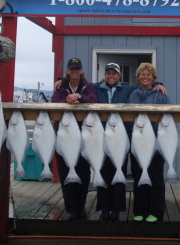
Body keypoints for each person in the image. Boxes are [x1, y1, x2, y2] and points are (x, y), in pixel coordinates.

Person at [54, 62, 167, 221]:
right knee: (103, 173)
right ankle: (104, 208)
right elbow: (76, 78)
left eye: (114, 73)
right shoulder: (96, 87)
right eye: (108, 73)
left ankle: (117, 209)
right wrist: (61, 79)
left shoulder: (128, 89)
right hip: (100, 137)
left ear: (119, 75)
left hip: (119, 138)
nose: (111, 76)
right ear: (105, 75)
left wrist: (158, 84)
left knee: (118, 173)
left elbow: (145, 84)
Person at [51, 57, 97, 220]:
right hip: (63, 135)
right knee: (65, 173)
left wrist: (80, 97)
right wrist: (67, 100)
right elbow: (54, 102)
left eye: (78, 69)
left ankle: (81, 207)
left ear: (82, 71)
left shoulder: (88, 86)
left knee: (83, 173)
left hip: (83, 135)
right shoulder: (60, 86)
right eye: (72, 69)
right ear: (68, 71)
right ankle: (71, 209)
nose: (75, 72)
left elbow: (93, 100)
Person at [127, 62, 170, 223]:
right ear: (138, 77)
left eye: (148, 75)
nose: (145, 77)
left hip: (156, 142)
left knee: (156, 177)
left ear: (154, 78)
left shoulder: (161, 94)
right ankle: (140, 210)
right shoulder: (133, 94)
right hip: (138, 141)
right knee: (138, 176)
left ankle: (156, 212)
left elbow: (168, 115)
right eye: (142, 74)